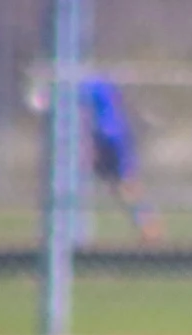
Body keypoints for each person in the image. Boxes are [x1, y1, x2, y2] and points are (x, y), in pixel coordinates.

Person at [82, 73, 164, 241]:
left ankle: (150, 228)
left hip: (111, 138)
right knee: (120, 186)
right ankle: (147, 227)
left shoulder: (88, 84)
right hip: (111, 137)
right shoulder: (97, 83)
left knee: (127, 185)